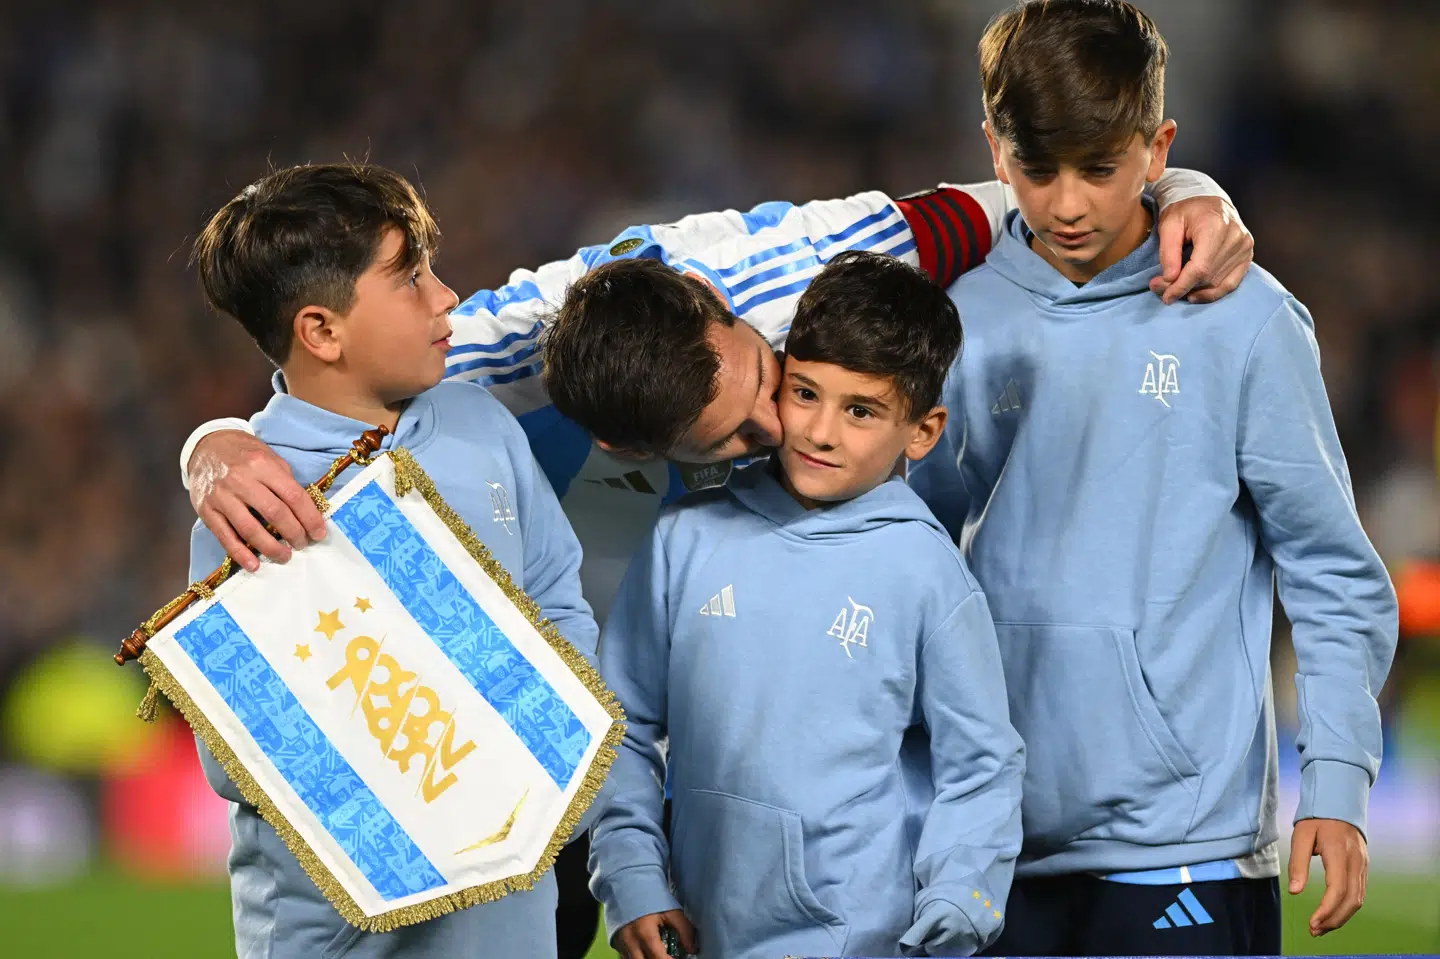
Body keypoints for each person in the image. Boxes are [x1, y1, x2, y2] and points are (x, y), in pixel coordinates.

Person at [180, 143, 1254, 959]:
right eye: (738, 437)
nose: (793, 429)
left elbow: (1042, 194)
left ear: (733, 314)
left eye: (768, 375)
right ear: (630, 450)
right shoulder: (497, 398)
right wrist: (214, 446)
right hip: (487, 852)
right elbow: (327, 394)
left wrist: (1190, 189)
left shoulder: (780, 267)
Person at [904, 2, 1398, 954]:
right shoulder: (949, 318)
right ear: (994, 152)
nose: (1069, 203)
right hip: (988, 839)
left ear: (1157, 147)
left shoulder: (1244, 319)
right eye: (1037, 169)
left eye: (1098, 167)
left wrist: (1336, 778)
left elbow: (1333, 571)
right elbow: (904, 554)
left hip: (1188, 843)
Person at [186, 162, 605, 959]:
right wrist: (442, 783)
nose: (447, 296)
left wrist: (554, 774)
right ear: (322, 331)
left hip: (513, 916)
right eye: (410, 279)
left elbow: (556, 595)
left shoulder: (480, 419)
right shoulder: (255, 492)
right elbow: (239, 749)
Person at [588, 251, 1025, 959]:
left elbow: (981, 763)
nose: (821, 431)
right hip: (696, 936)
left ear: (922, 430)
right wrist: (635, 877)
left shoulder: (926, 570)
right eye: (805, 393)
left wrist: (960, 896)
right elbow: (620, 726)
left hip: (862, 939)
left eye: (861, 410)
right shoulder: (683, 538)